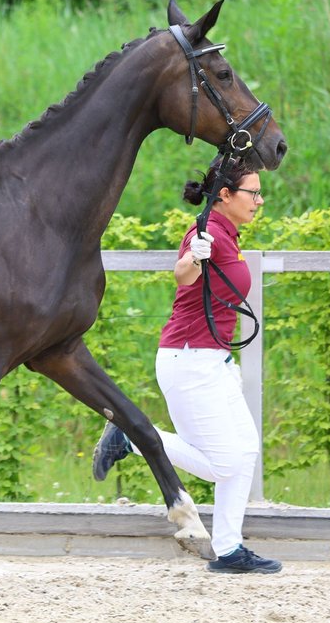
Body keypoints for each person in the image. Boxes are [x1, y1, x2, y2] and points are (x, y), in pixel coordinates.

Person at [91, 158, 282, 574]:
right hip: (190, 361)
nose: (259, 200)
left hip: (213, 360)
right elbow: (182, 276)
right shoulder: (208, 231)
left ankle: (229, 549)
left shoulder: (228, 232)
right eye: (253, 192)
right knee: (223, 463)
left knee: (245, 452)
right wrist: (194, 258)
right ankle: (132, 436)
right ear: (226, 195)